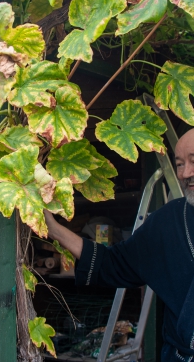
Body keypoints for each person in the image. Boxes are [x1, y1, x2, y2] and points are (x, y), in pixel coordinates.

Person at [44, 128, 194, 362]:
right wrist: (55, 230)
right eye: (179, 164)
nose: (186, 173)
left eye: (193, 161)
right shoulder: (167, 222)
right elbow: (113, 263)